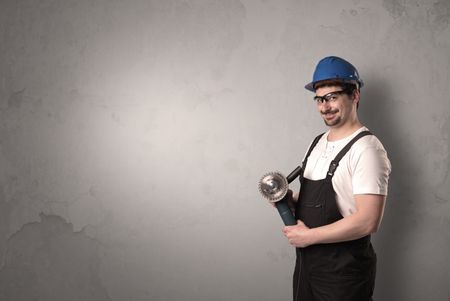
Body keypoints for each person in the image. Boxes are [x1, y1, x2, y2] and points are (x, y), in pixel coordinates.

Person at [282, 56, 391, 301]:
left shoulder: (367, 149)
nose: (324, 107)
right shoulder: (317, 142)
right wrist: (291, 200)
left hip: (344, 273)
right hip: (307, 268)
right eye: (319, 99)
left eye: (332, 97)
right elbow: (325, 198)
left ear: (355, 95)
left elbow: (367, 220)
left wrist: (308, 237)